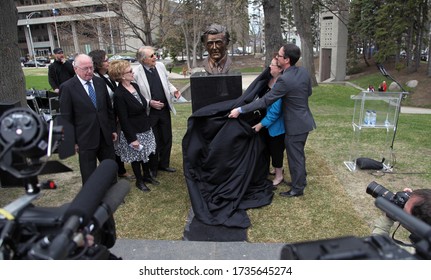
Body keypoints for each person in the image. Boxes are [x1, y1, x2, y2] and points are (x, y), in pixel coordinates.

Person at [229, 43, 316, 198]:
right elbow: (308, 92)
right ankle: (300, 181)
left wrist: (240, 109)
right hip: (305, 121)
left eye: (279, 55)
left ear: (287, 60)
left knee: (294, 156)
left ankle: (297, 188)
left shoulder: (284, 80)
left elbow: (265, 101)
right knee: (298, 154)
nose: (277, 56)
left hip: (295, 125)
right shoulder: (303, 72)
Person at [59, 54, 117, 184]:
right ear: (75, 69)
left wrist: (112, 129)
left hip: (104, 135)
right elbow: (66, 117)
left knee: (109, 166)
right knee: (88, 171)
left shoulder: (100, 82)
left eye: (91, 67)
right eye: (85, 68)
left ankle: (113, 191)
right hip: (85, 138)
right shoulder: (67, 87)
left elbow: (108, 109)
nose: (89, 71)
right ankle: (91, 198)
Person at [109, 60, 158, 192]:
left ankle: (147, 176)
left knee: (146, 153)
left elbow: (142, 104)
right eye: (130, 71)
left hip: (145, 127)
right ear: (122, 75)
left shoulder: (135, 86)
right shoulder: (119, 94)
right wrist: (132, 139)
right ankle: (139, 181)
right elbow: (123, 119)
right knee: (136, 157)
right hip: (133, 131)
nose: (133, 73)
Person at [134, 46, 181, 176]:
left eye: (155, 55)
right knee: (154, 139)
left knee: (167, 137)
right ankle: (152, 168)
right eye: (152, 56)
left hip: (164, 109)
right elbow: (136, 94)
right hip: (150, 112)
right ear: (143, 60)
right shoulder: (136, 73)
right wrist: (149, 102)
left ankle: (164, 164)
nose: (155, 57)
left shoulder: (160, 66)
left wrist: (174, 90)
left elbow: (167, 82)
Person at [88, 49, 133, 180]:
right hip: (108, 118)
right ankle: (116, 171)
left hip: (116, 116)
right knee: (111, 146)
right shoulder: (95, 80)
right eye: (105, 60)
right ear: (98, 63)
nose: (108, 62)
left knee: (117, 144)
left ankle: (120, 169)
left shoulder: (109, 76)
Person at [252, 58, 285, 187]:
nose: (269, 67)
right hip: (264, 121)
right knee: (267, 149)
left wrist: (260, 125)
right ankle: (274, 169)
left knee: (276, 150)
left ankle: (279, 175)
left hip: (276, 126)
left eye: (272, 65)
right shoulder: (268, 80)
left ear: (280, 69)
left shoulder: (281, 86)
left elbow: (275, 112)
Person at [372, 188, 431, 253]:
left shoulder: (416, 254)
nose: (401, 208)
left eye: (404, 209)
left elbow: (378, 244)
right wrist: (412, 198)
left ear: (418, 223)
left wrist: (387, 218)